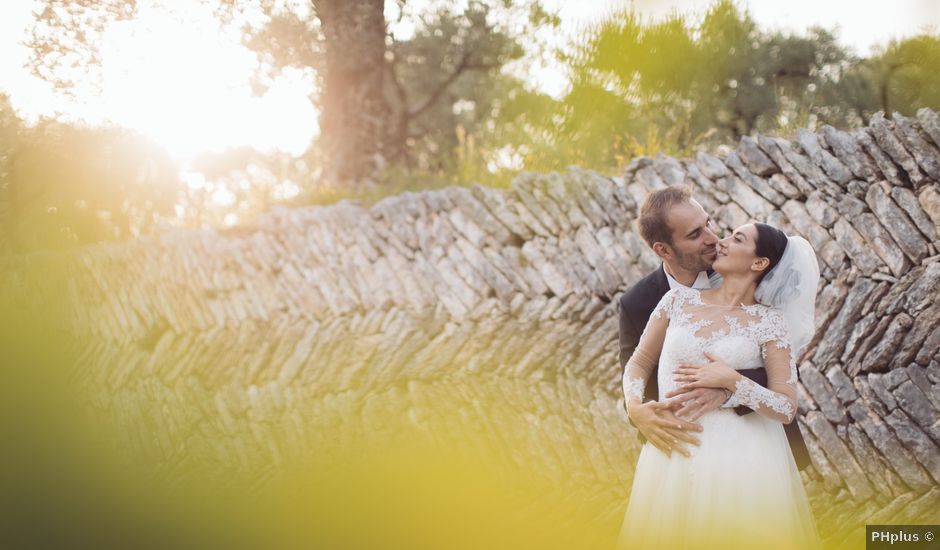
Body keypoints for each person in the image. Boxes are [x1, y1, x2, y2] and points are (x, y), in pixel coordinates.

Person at [615, 219, 821, 550]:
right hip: (673, 453)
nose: (721, 242)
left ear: (759, 263)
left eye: (737, 238)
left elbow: (786, 407)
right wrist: (635, 405)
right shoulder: (676, 302)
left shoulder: (769, 323)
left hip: (739, 459)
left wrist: (732, 383)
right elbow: (638, 364)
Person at [618, 187, 809, 466]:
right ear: (663, 249)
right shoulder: (639, 302)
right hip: (684, 451)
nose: (714, 238)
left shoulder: (749, 276)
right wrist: (635, 410)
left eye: (708, 222)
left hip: (753, 445)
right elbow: (637, 371)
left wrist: (728, 388)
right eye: (695, 234)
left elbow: (786, 372)